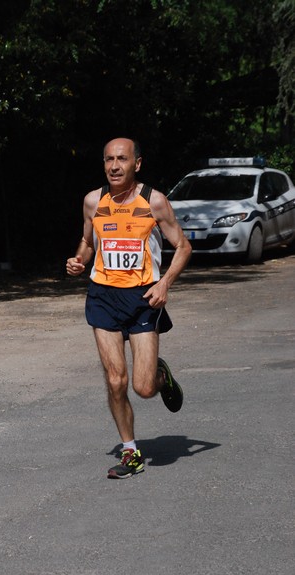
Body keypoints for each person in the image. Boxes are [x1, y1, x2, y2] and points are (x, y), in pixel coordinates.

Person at [66, 138, 192, 479]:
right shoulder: (93, 201)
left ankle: (160, 376)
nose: (114, 165)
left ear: (137, 164)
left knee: (143, 387)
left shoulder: (155, 201)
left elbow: (182, 246)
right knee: (115, 380)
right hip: (103, 297)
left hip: (142, 298)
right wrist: (79, 260)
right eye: (109, 159)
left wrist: (164, 283)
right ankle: (130, 451)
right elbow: (87, 242)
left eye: (122, 159)